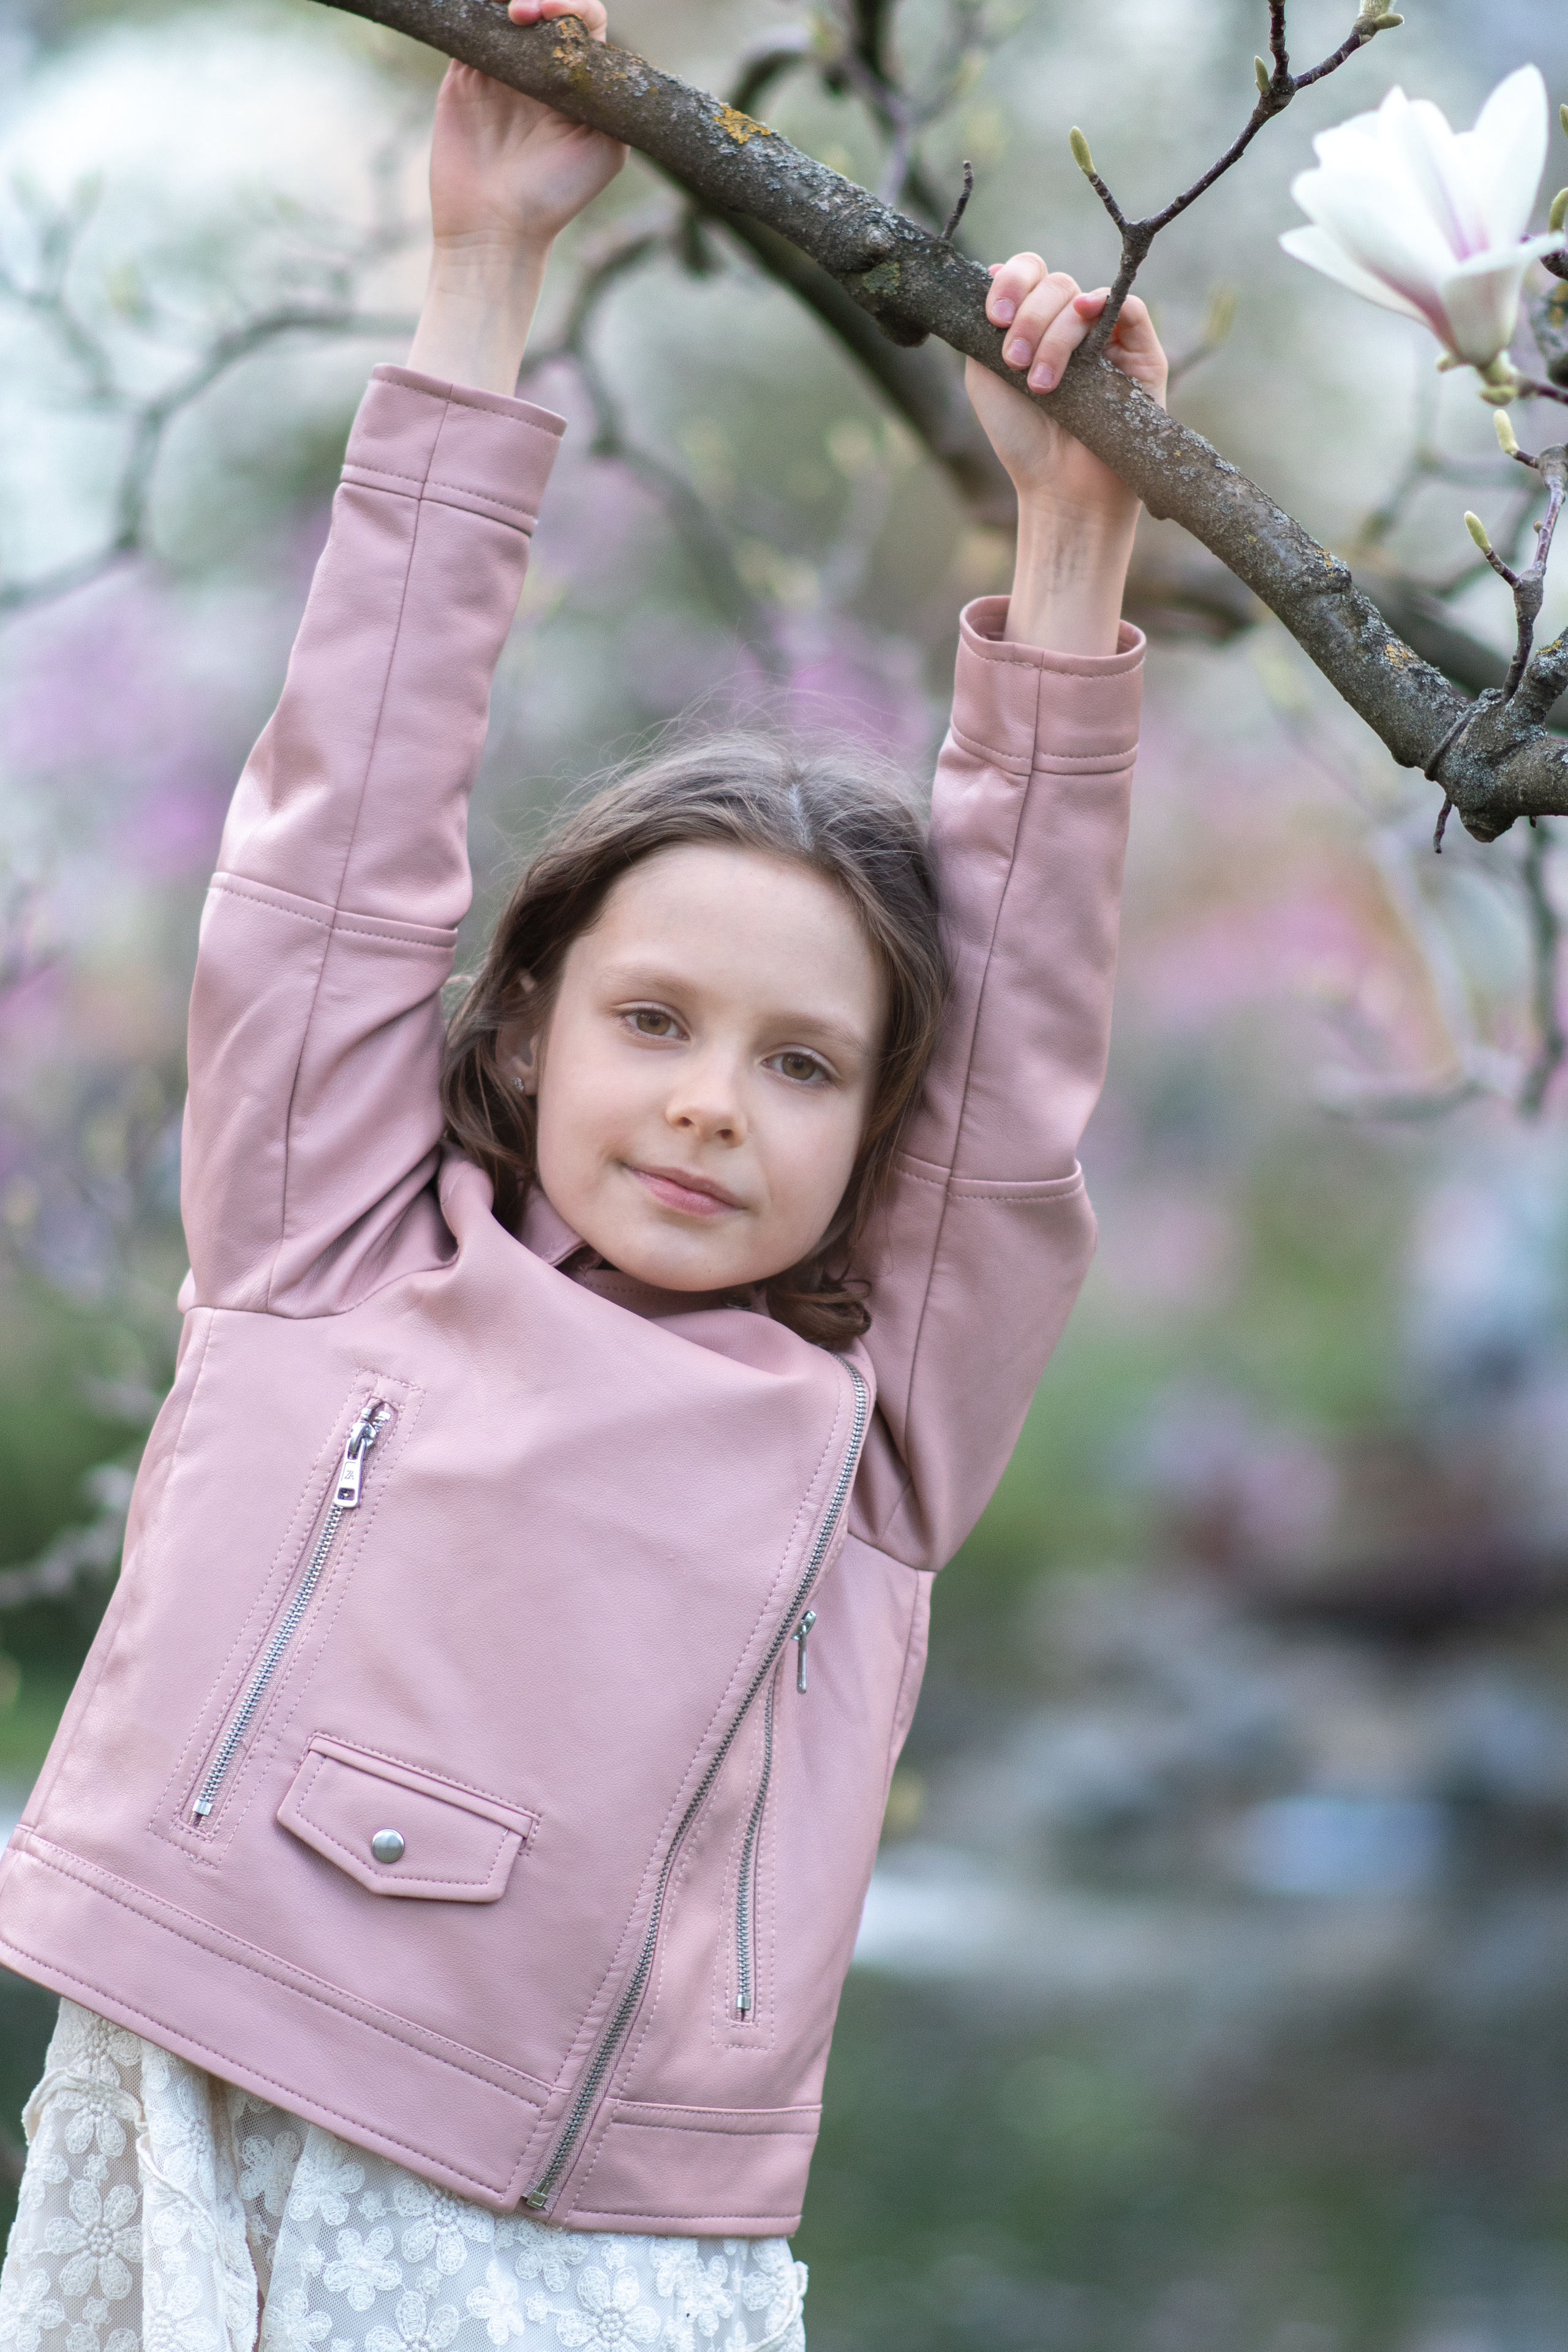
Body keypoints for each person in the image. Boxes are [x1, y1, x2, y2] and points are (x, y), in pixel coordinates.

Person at [0, 6, 1166, 2348]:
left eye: (805, 1061)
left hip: (589, 2210)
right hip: (209, 2056)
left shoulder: (871, 1427)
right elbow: (343, 826)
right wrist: (482, 269)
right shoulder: (333, 1230)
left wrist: (1069, 541)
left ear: (879, 1132)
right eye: (656, 1023)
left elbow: (1016, 1072)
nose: (718, 1101)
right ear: (528, 1024)